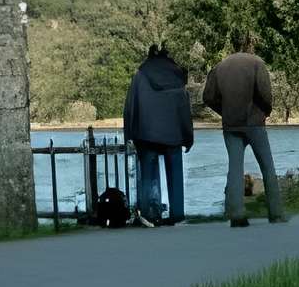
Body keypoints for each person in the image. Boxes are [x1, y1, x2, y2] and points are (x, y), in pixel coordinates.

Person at [201, 30, 287, 226]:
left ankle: (236, 215)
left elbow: (207, 97)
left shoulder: (219, 67)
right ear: (250, 46)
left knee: (234, 168)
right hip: (254, 123)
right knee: (267, 167)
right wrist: (265, 111)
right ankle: (276, 213)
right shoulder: (257, 64)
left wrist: (224, 111)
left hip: (231, 124)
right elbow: (265, 93)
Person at [120, 43, 193, 227]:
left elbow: (130, 107)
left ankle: (150, 215)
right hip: (174, 133)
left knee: (148, 175)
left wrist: (129, 134)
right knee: (175, 174)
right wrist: (188, 137)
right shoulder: (177, 75)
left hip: (146, 133)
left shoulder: (141, 74)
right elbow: (184, 109)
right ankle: (178, 215)